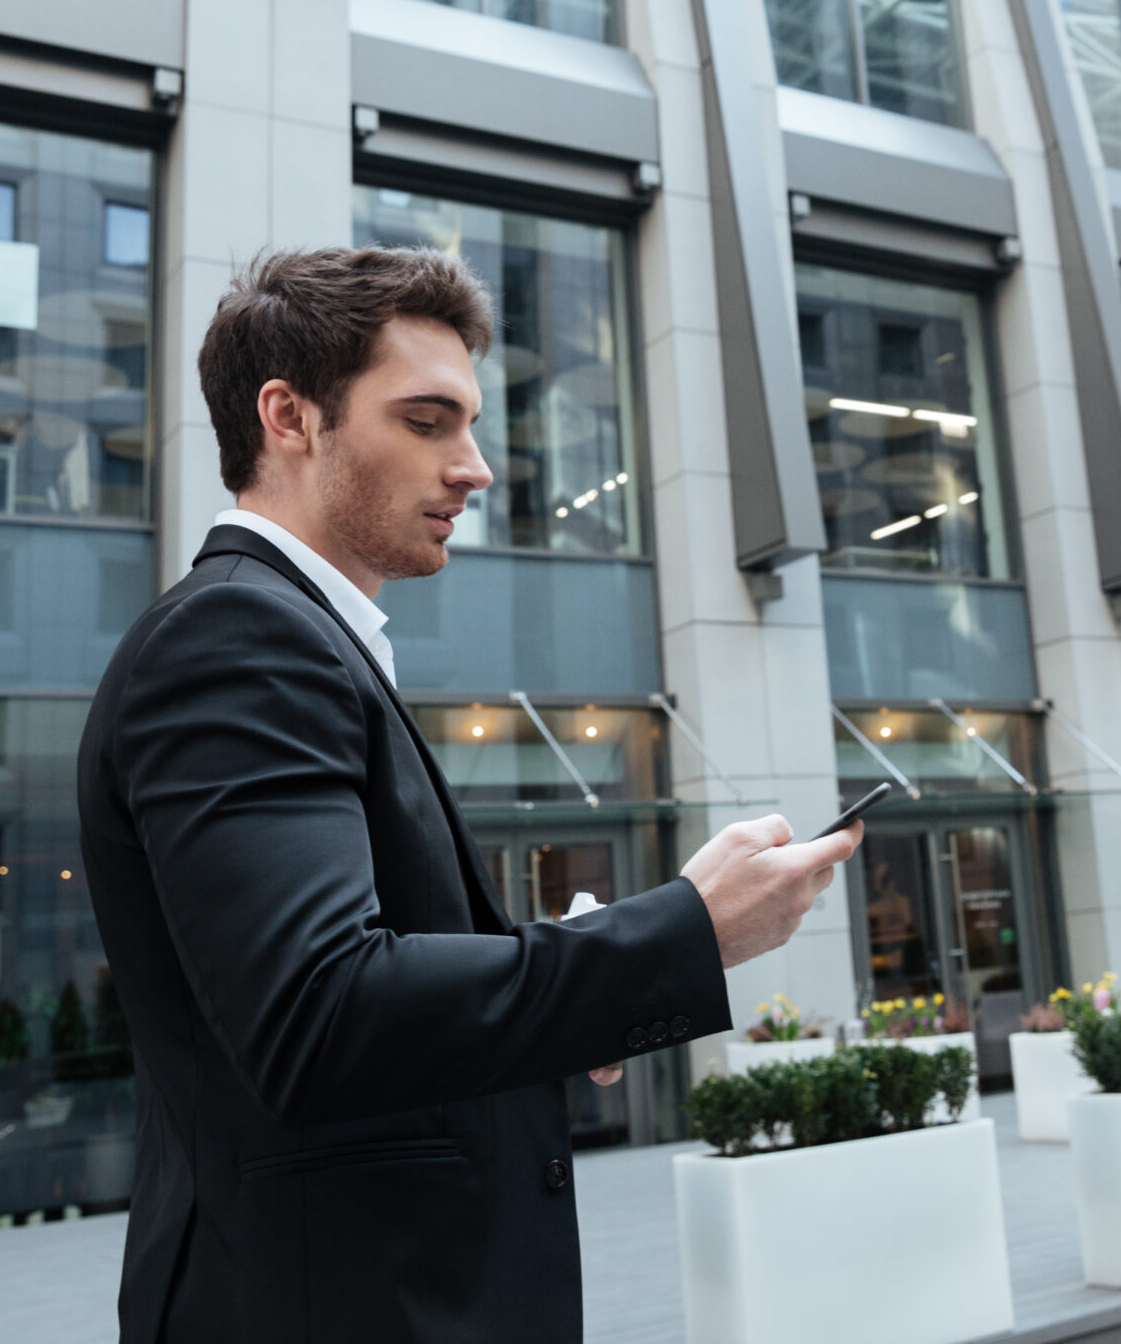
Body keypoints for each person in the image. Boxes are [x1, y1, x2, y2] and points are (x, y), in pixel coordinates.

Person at [77, 247, 857, 1344]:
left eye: (471, 425)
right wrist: (681, 933)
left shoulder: (295, 639)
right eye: (428, 421)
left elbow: (358, 993)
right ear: (289, 417)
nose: (477, 468)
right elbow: (320, 1015)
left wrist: (582, 994)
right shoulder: (238, 639)